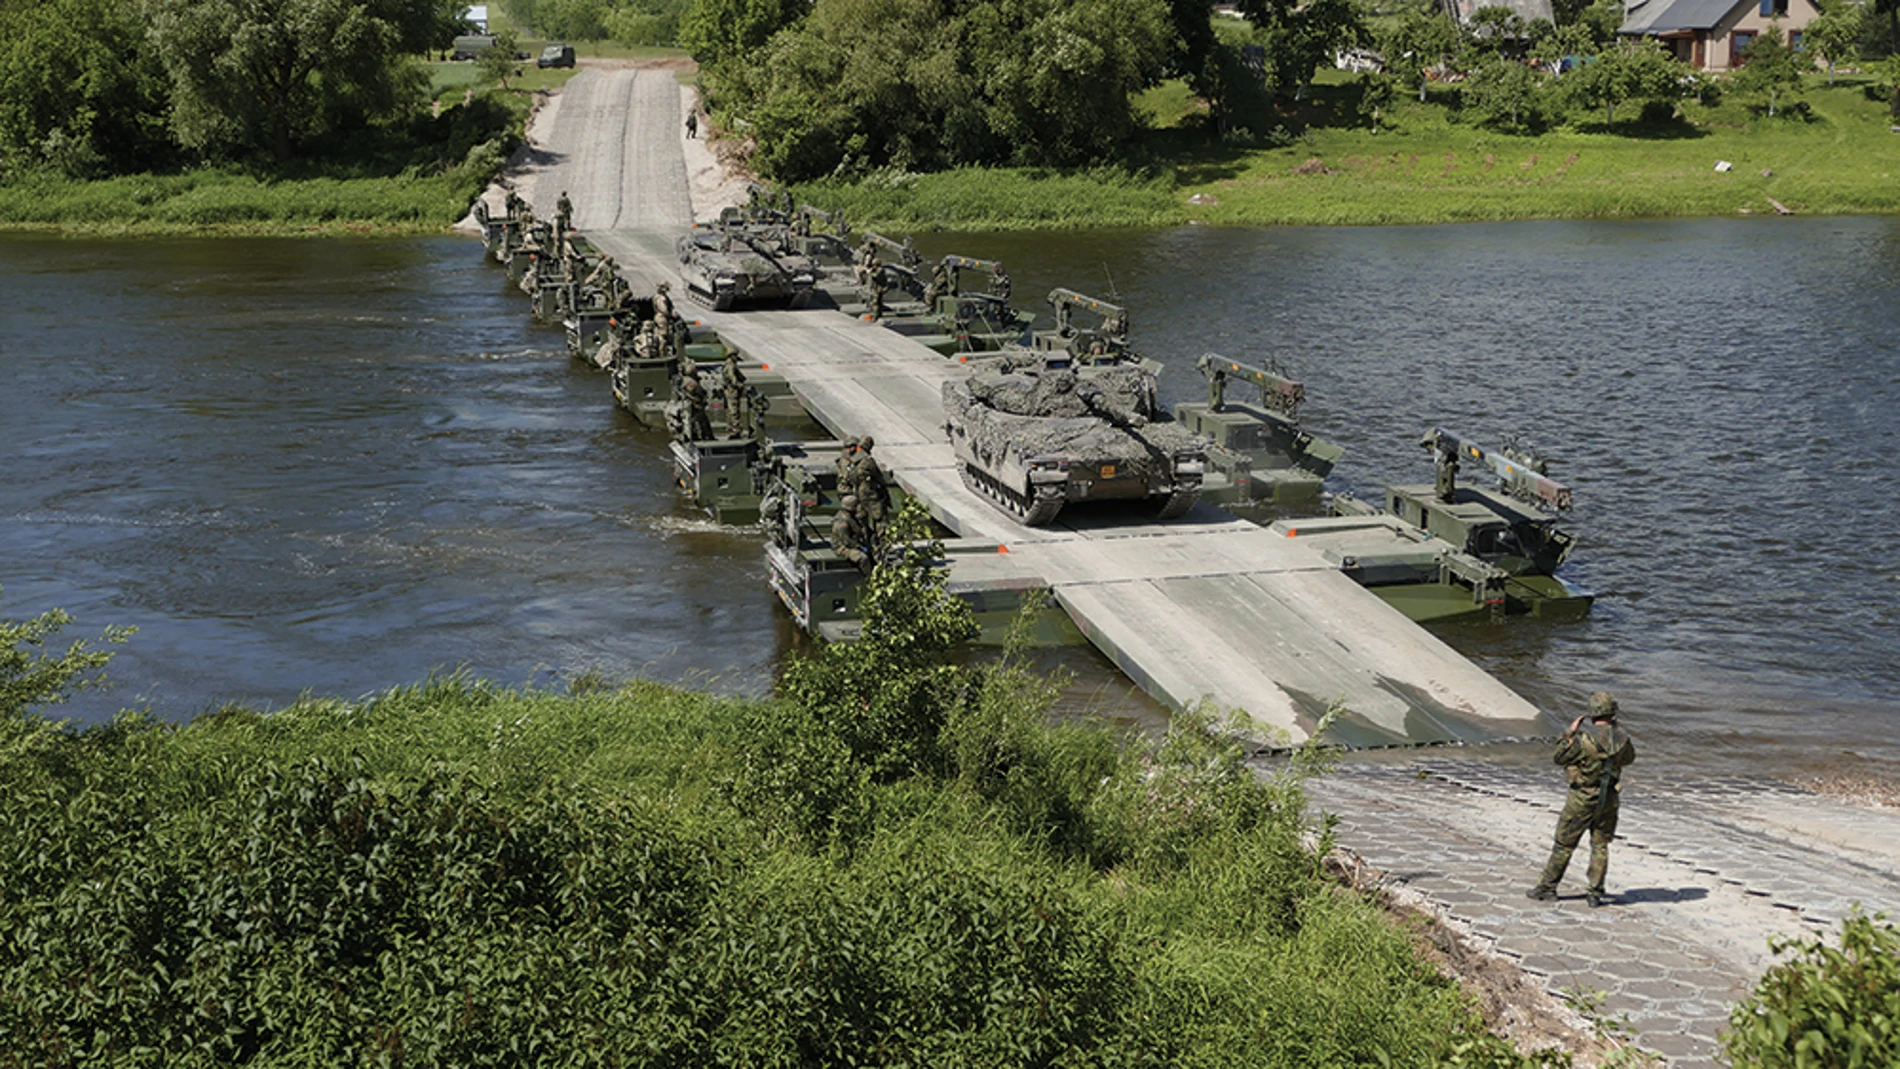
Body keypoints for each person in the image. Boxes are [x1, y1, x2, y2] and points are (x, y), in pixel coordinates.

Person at [1528, 692, 1637, 908]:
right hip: (1608, 800)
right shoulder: (1623, 739)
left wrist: (1569, 732)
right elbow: (1630, 759)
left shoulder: (1583, 741)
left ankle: (1547, 888)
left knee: (1564, 844)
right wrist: (1615, 731)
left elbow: (1559, 757)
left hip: (1582, 799)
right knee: (1600, 845)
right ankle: (1595, 893)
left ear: (1591, 714)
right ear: (1613, 713)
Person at [830, 497, 871, 572]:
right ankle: (869, 578)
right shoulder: (842, 523)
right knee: (863, 558)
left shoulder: (851, 516)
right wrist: (860, 547)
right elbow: (847, 541)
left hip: (854, 542)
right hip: (842, 548)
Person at [680, 371, 712, 442]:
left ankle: (694, 436)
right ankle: (706, 436)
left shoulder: (682, 381)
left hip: (688, 405)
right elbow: (701, 394)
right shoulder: (693, 383)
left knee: (691, 422)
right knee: (701, 421)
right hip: (694, 405)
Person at [721, 355, 749, 437]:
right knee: (734, 410)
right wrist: (739, 384)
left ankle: (731, 428)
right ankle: (735, 429)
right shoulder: (730, 365)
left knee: (730, 410)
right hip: (732, 391)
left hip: (729, 390)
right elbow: (732, 378)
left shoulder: (728, 364)